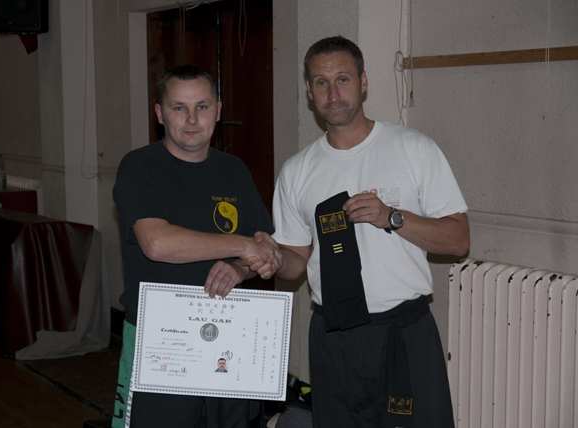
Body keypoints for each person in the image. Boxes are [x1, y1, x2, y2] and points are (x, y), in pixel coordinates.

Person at [247, 36, 470, 427]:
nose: (333, 93)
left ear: (364, 82)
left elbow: (458, 239)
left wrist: (392, 218)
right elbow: (296, 265)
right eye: (320, 82)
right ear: (308, 91)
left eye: (343, 79)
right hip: (334, 336)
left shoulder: (413, 148)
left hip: (405, 332)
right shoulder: (297, 171)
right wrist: (273, 257)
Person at [112, 65, 281, 428]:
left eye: (202, 107)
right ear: (159, 114)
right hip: (160, 343)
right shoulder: (139, 166)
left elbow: (264, 249)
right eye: (178, 108)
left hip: (229, 342)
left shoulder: (234, 171)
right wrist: (241, 245)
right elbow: (157, 243)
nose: (192, 119)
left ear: (218, 111)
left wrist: (240, 267)